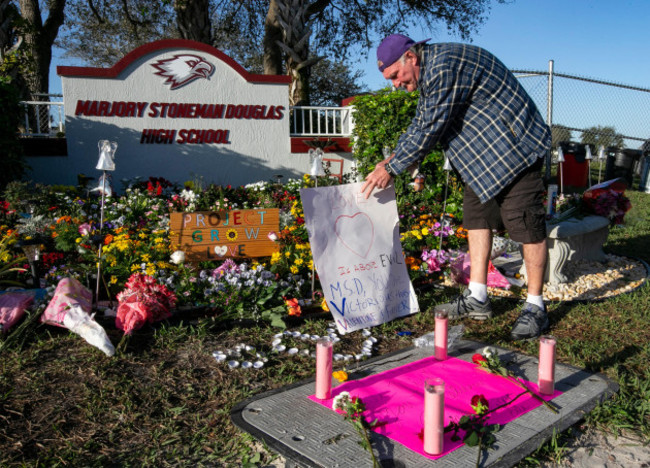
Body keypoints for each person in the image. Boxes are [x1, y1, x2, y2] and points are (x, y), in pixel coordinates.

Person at [360, 34, 551, 340]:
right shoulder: (431, 71)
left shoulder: (445, 65)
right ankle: (478, 297)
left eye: (395, 75)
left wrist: (393, 169)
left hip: (515, 149)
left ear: (411, 57)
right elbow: (421, 122)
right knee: (477, 218)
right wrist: (391, 159)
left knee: (525, 224)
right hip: (483, 157)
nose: (395, 84)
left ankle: (535, 307)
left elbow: (431, 127)